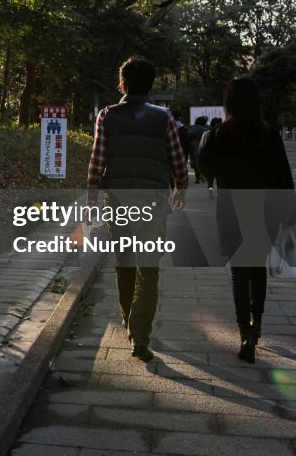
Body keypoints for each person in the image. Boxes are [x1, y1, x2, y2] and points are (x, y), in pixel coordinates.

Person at [87, 56, 187, 362]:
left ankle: (130, 322)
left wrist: (92, 200)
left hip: (116, 200)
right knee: (149, 268)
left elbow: (97, 159)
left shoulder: (107, 115)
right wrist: (180, 187)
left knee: (125, 263)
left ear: (123, 83)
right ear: (151, 83)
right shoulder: (164, 118)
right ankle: (140, 337)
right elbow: (176, 159)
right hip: (153, 201)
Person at [198, 78, 295, 364]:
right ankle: (257, 325)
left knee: (239, 272)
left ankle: (244, 333)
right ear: (256, 102)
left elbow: (205, 168)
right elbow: (283, 176)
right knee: (257, 268)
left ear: (229, 103)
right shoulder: (270, 135)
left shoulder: (218, 134)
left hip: (231, 210)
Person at [202, 117, 223, 199]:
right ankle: (219, 190)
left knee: (210, 175)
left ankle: (210, 188)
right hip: (220, 157)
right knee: (219, 175)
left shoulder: (206, 133)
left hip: (209, 157)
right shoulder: (224, 133)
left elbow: (202, 146)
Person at [188, 117, 210, 183]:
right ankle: (203, 176)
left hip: (194, 146)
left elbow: (189, 136)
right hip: (203, 145)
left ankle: (197, 178)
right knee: (203, 162)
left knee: (195, 162)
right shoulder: (205, 129)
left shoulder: (193, 128)